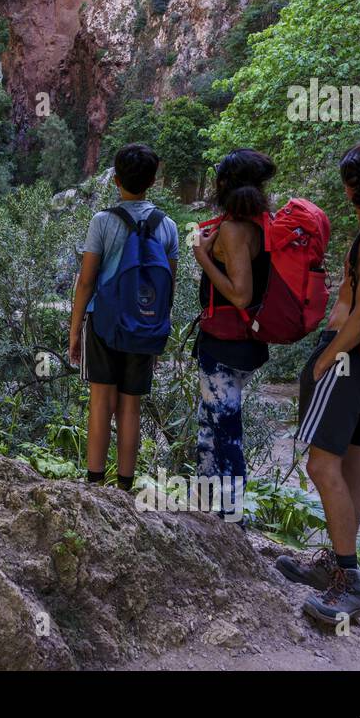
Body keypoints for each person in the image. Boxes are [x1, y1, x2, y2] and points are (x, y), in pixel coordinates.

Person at [276, 141, 360, 626]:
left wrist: (326, 357)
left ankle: (350, 582)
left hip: (348, 357)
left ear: (357, 185)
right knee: (352, 460)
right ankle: (339, 564)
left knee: (320, 465)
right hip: (356, 359)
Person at [68, 143, 179, 490]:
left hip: (103, 323)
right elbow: (167, 288)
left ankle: (94, 483)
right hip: (144, 326)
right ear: (154, 181)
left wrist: (74, 332)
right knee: (131, 405)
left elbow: (86, 281)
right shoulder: (168, 226)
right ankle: (125, 487)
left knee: (101, 401)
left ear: (115, 180)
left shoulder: (103, 221)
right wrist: (156, 331)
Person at [191, 149, 276, 519]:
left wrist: (203, 257)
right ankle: (207, 514)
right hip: (244, 345)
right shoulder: (261, 224)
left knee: (225, 434)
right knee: (210, 429)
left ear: (223, 184)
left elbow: (240, 293)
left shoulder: (233, 228)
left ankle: (230, 523)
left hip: (225, 346)